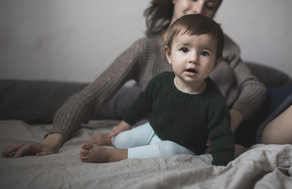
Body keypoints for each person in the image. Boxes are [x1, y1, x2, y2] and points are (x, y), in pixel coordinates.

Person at [2, 0, 292, 158]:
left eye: (211, 5)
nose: (199, 8)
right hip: (251, 130)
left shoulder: (223, 44)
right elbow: (92, 95)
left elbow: (253, 86)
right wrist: (52, 139)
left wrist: (232, 117)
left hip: (260, 104)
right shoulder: (144, 49)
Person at [79, 14, 234, 166]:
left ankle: (112, 155)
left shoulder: (215, 102)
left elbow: (222, 137)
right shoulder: (161, 81)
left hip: (183, 145)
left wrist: (222, 165)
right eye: (185, 49)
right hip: (154, 128)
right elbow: (142, 102)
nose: (193, 59)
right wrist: (125, 123)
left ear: (215, 63)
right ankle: (111, 140)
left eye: (204, 53)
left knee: (167, 150)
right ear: (169, 54)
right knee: (125, 139)